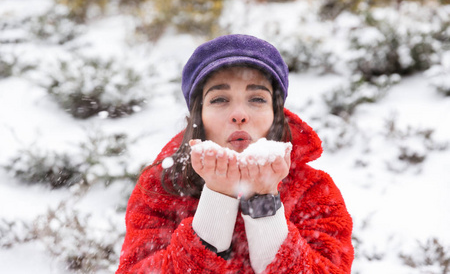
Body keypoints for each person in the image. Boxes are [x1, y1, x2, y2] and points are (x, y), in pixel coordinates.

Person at [116, 34, 354, 273]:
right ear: (199, 115)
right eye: (220, 99)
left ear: (276, 114)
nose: (239, 114)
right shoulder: (161, 187)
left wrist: (264, 201)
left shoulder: (313, 189)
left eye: (257, 99)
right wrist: (218, 197)